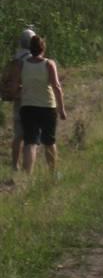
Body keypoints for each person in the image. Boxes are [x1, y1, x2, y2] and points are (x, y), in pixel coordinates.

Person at [15, 35, 67, 178]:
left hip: (27, 107)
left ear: (30, 49)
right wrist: (61, 109)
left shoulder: (22, 64)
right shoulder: (49, 64)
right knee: (49, 141)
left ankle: (27, 176)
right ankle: (53, 174)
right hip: (47, 107)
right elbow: (56, 86)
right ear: (43, 48)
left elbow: (17, 84)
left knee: (30, 142)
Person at [8, 28, 35, 171]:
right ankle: (27, 167)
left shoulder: (15, 58)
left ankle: (14, 165)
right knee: (30, 136)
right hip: (30, 99)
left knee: (18, 135)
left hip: (18, 99)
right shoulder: (32, 59)